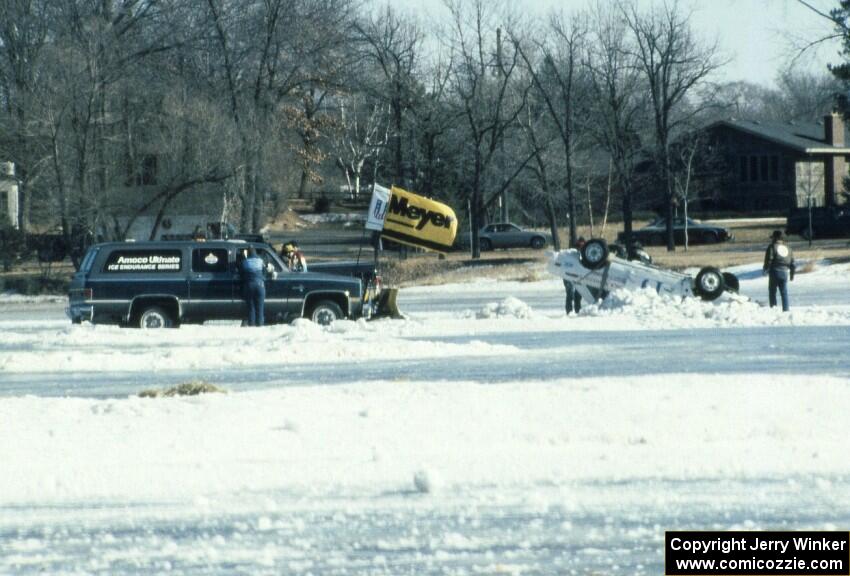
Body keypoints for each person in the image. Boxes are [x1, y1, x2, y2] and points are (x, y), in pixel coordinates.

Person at [763, 230, 795, 312]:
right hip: (784, 272)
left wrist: (766, 268)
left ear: (774, 238)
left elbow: (769, 259)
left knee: (772, 292)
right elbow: (792, 263)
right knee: (784, 292)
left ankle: (774, 309)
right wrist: (792, 274)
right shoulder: (789, 248)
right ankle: (786, 310)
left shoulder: (772, 247)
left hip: (774, 271)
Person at [241, 246, 266, 326]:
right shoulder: (260, 261)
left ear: (248, 253)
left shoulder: (245, 262)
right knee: (260, 307)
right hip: (260, 285)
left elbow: (242, 273)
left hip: (249, 285)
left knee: (251, 307)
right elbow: (264, 272)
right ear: (255, 252)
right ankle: (260, 325)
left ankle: (251, 325)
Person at [564, 236, 586, 315]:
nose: (581, 248)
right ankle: (569, 311)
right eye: (579, 246)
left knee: (578, 294)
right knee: (570, 293)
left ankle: (578, 310)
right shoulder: (571, 253)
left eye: (582, 246)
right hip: (568, 276)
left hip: (579, 276)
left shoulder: (584, 255)